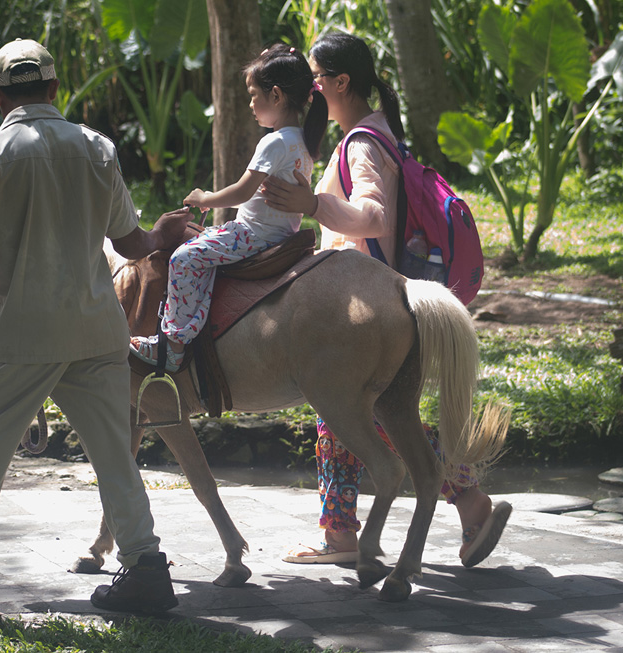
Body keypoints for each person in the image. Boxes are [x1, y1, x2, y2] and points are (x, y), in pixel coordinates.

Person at [0, 38, 192, 615]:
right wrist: (164, 233)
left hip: (24, 332)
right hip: (98, 330)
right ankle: (147, 568)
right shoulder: (97, 148)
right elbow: (132, 245)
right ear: (56, 90)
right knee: (112, 453)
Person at [260, 32, 511, 567]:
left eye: (316, 80)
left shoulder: (362, 144)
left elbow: (371, 216)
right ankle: (444, 507)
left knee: (349, 415)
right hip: (387, 301)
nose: (310, 90)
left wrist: (313, 204)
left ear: (340, 82)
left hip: (365, 307)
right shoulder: (376, 134)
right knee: (370, 417)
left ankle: (360, 529)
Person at [130, 44, 327, 371]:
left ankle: (173, 346)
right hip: (280, 233)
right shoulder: (302, 141)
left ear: (275, 96)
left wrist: (204, 197)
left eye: (253, 95)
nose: (250, 103)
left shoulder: (274, 142)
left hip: (255, 235)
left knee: (184, 258)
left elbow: (241, 192)